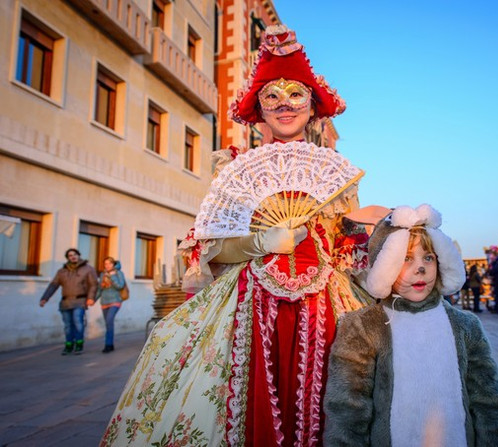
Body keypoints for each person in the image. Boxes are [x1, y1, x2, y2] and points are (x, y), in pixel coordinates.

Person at [101, 25, 370, 446]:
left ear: (313, 107)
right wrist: (260, 243)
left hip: (324, 307)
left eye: (295, 95)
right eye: (272, 98)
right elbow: (209, 248)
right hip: (249, 301)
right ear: (258, 110)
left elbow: (348, 250)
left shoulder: (338, 176)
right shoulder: (231, 167)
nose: (284, 106)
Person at [324, 205, 498, 446]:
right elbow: (348, 408)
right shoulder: (363, 327)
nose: (421, 268)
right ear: (386, 264)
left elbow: (490, 403)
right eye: (406, 258)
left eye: (428, 257)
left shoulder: (465, 326)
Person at [39, 248, 97, 355]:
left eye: (75, 254)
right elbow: (53, 285)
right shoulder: (62, 272)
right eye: (70, 255)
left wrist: (91, 297)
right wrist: (44, 298)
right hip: (65, 303)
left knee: (78, 323)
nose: (73, 256)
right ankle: (69, 345)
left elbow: (93, 284)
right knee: (68, 325)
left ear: (79, 255)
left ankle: (79, 344)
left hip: (80, 301)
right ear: (68, 258)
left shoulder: (88, 269)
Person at [94, 257, 126, 353]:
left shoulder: (118, 273)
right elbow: (100, 289)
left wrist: (112, 277)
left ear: (113, 264)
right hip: (104, 302)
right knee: (108, 324)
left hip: (115, 301)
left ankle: (108, 344)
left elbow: (120, 286)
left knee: (109, 320)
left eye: (109, 263)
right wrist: (93, 300)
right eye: (105, 264)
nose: (107, 266)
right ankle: (110, 344)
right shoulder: (103, 274)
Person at [487, 248, 498, 313]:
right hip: (497, 280)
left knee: (497, 294)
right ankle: (496, 307)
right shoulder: (496, 261)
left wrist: (491, 270)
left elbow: (495, 270)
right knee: (497, 294)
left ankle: (496, 308)